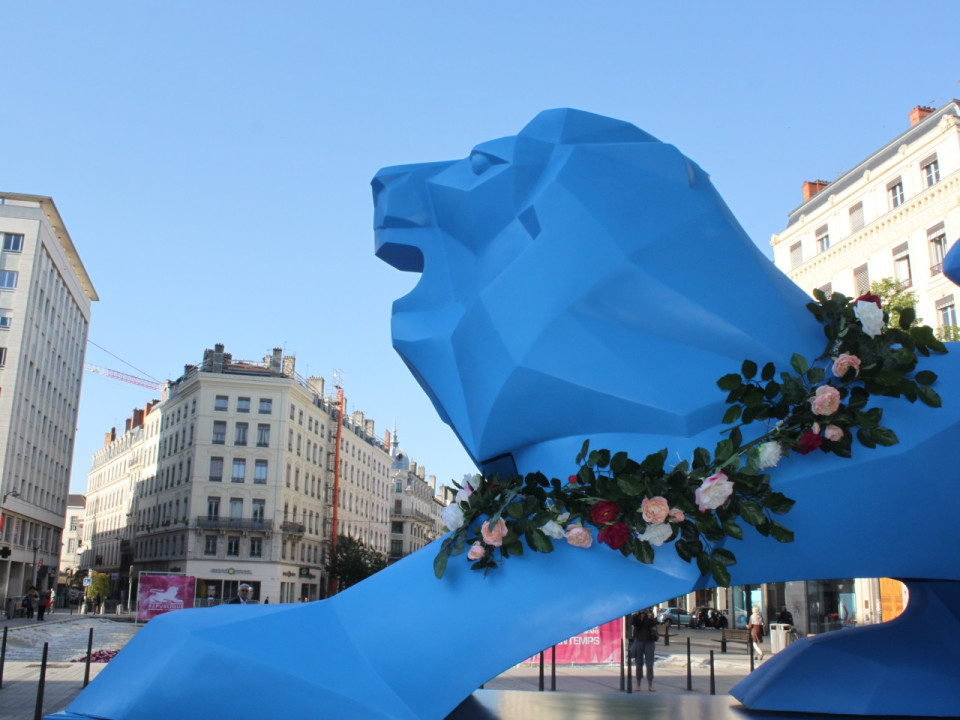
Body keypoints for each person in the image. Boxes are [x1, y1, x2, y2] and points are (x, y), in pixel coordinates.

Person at [630, 609, 658, 692]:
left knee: (649, 664)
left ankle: (650, 684)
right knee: (639, 663)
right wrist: (639, 616)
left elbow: (653, 625)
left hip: (649, 641)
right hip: (639, 640)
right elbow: (633, 623)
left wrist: (650, 618)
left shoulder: (650, 615)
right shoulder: (637, 615)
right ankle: (638, 684)